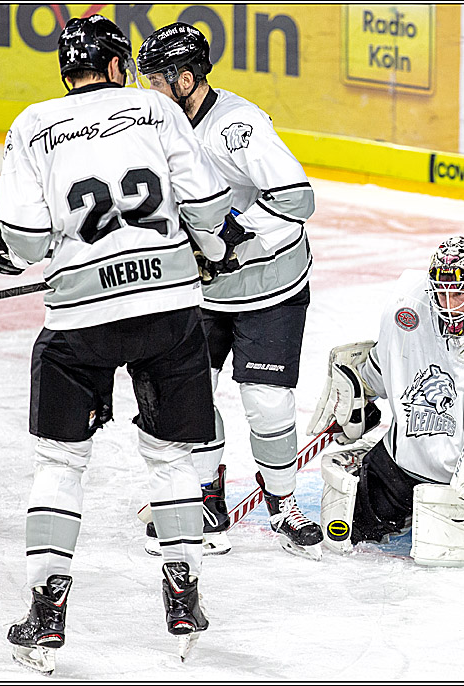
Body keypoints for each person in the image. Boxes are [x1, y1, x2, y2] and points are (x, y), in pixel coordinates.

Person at [0, 15, 236, 672]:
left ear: (67, 71)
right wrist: (212, 249)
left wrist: (1, 252)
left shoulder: (32, 124)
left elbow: (29, 242)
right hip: (168, 314)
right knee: (173, 459)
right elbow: (204, 202)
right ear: (119, 66)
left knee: (60, 466)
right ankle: (184, 595)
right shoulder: (154, 108)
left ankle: (46, 610)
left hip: (80, 322)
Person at [136, 23, 321, 558]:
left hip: (270, 287)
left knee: (266, 404)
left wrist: (232, 237)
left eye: (157, 81)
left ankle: (282, 505)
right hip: (201, 291)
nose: (149, 92)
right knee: (188, 394)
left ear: (187, 79)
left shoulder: (237, 128)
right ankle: (207, 496)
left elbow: (297, 199)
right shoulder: (156, 127)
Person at [308, 237, 464, 552]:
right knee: (350, 544)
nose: (448, 303)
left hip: (462, 488)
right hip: (399, 464)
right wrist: (359, 392)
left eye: (459, 292)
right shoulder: (408, 305)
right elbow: (384, 366)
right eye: (440, 292)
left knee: (453, 575)